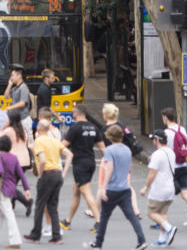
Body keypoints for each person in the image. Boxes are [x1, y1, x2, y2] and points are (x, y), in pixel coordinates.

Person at [85, 124, 146, 249]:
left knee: (104, 217)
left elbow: (109, 168)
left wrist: (103, 188)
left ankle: (98, 243)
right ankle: (141, 240)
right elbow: (130, 168)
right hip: (124, 189)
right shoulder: (127, 150)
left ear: (109, 137)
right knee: (131, 216)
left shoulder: (109, 150)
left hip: (112, 189)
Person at [24, 118, 72, 243]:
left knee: (40, 205)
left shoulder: (39, 140)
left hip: (47, 174)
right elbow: (69, 154)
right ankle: (56, 235)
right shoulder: (54, 141)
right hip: (57, 174)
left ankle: (35, 234)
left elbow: (43, 159)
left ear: (38, 129)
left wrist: (40, 174)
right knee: (52, 206)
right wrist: (64, 171)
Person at [59, 104, 103, 232]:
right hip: (90, 162)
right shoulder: (94, 127)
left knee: (86, 192)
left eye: (73, 113)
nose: (72, 115)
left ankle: (99, 221)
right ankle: (67, 221)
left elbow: (63, 145)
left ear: (77, 113)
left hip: (80, 164)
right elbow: (102, 147)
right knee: (76, 193)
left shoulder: (75, 128)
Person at [0, 136, 30, 248]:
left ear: (1, 145)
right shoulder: (14, 157)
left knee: (9, 215)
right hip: (11, 187)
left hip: (3, 188)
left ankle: (15, 240)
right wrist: (26, 189)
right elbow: (21, 174)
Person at [140, 129, 178, 246]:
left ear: (157, 140)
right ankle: (162, 239)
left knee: (151, 213)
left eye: (153, 140)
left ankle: (169, 228)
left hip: (159, 189)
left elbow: (152, 174)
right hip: (170, 188)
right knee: (162, 213)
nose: (152, 142)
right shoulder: (171, 152)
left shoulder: (157, 154)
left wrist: (146, 187)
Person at [0, 111, 33, 216]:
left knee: (9, 185)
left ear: (11, 120)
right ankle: (11, 204)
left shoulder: (8, 130)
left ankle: (27, 202)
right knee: (13, 183)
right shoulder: (24, 130)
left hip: (14, 161)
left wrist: (3, 128)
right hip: (25, 160)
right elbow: (28, 144)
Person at [4, 66, 33, 140]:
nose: (11, 78)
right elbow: (6, 96)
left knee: (28, 142)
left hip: (24, 119)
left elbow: (22, 103)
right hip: (17, 120)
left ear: (19, 76)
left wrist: (9, 108)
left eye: (12, 75)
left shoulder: (24, 88)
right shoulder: (15, 88)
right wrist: (9, 85)